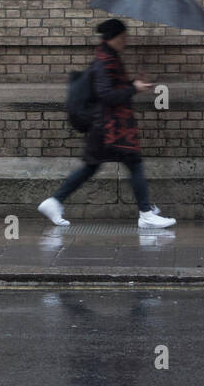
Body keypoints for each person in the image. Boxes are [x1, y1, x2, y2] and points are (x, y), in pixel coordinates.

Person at [38, 18, 176, 229]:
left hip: (107, 128)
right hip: (110, 128)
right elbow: (106, 95)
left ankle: (54, 201)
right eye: (124, 37)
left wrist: (133, 84)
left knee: (92, 167)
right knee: (134, 163)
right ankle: (146, 214)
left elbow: (111, 89)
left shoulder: (108, 57)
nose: (126, 41)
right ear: (115, 37)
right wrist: (133, 89)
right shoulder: (105, 61)